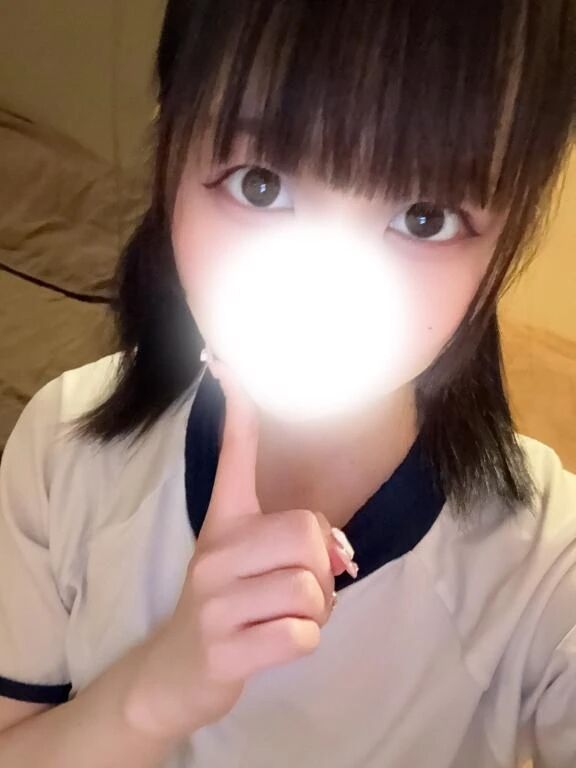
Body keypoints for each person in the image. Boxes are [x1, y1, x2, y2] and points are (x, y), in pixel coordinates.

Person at [0, 1, 574, 766]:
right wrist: (154, 693)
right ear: (170, 155)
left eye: (425, 217)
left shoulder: (545, 568)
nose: (325, 293)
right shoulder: (63, 448)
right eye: (262, 184)